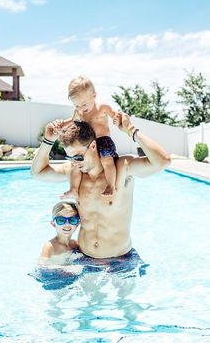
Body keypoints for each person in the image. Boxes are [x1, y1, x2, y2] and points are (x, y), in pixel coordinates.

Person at [32, 114, 170, 259]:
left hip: (121, 259)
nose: (75, 162)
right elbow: (38, 173)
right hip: (86, 257)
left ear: (93, 146)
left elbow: (162, 161)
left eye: (78, 156)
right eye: (70, 157)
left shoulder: (122, 168)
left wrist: (130, 130)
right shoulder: (74, 173)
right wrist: (48, 140)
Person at [61, 76, 130, 199]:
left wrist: (118, 119)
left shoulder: (102, 107)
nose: (81, 108)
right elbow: (72, 121)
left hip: (103, 141)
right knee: (75, 163)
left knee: (107, 161)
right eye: (77, 105)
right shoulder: (79, 112)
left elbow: (116, 115)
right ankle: (74, 189)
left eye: (84, 104)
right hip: (89, 143)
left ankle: (111, 186)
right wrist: (61, 125)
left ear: (94, 95)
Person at [39, 201, 80, 265]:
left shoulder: (74, 244)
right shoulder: (50, 246)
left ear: (77, 224)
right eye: (61, 220)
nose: (67, 224)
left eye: (72, 220)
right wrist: (65, 269)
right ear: (53, 224)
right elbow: (42, 265)